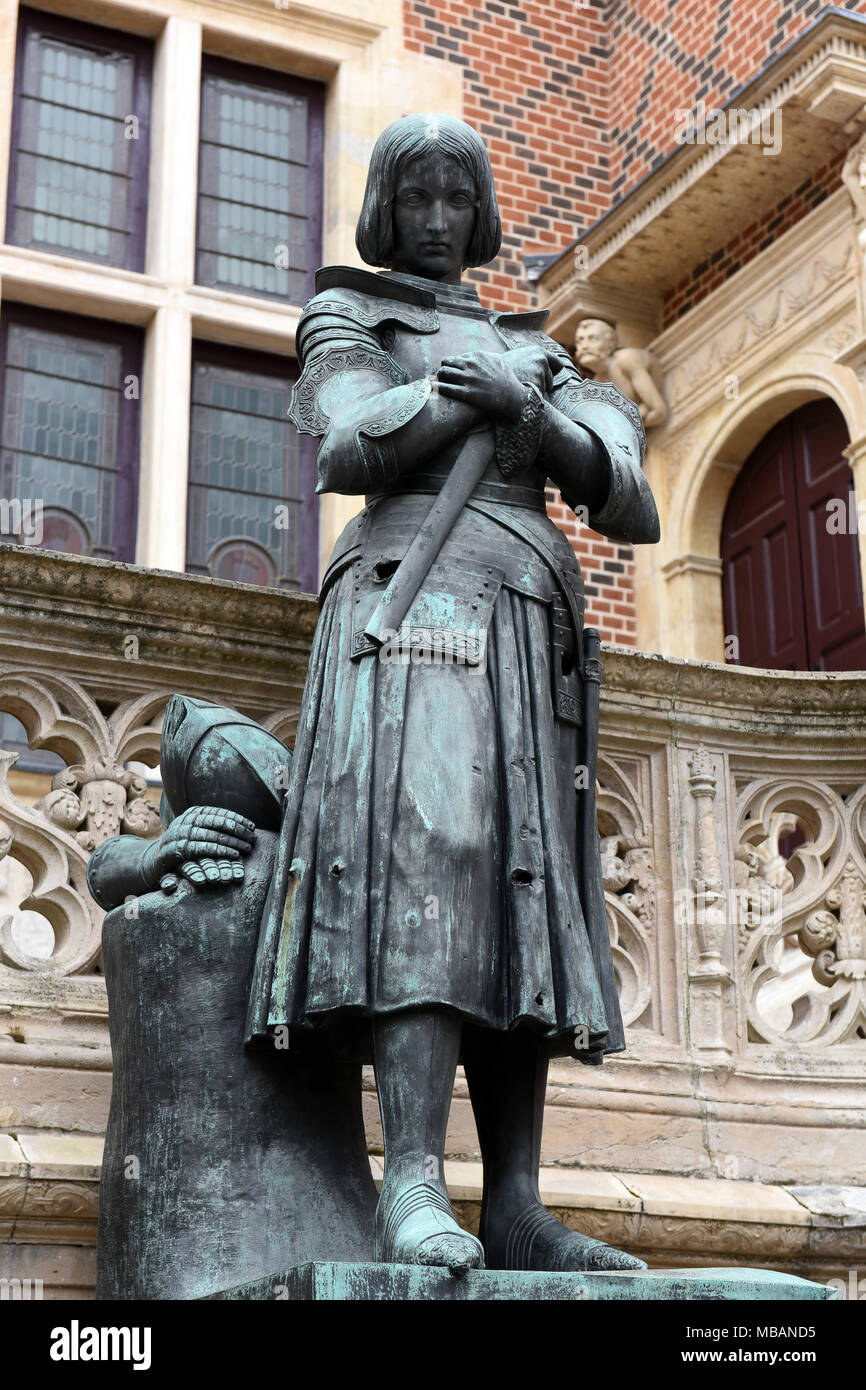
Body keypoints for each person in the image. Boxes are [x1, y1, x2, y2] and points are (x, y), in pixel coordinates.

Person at [246, 113, 660, 1273]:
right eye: (414, 197)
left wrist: (528, 409)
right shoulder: (349, 313)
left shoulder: (540, 348)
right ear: (387, 207)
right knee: (431, 860)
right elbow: (343, 441)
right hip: (407, 604)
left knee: (519, 883)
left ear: (479, 214)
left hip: (527, 622)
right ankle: (412, 1182)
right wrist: (457, 397)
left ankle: (517, 1199)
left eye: (453, 199)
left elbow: (631, 498)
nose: (435, 219)